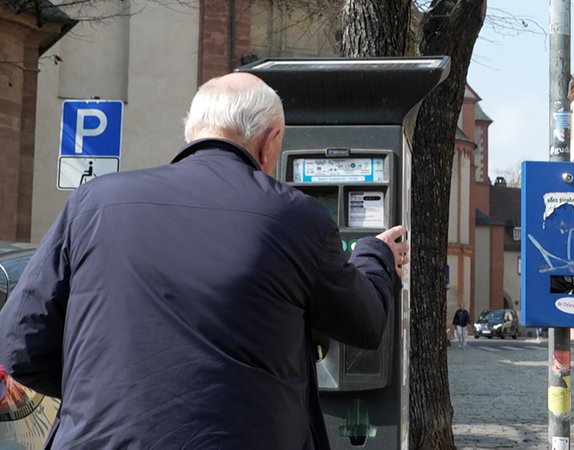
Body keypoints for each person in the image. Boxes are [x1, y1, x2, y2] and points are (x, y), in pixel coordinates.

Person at [0, 72, 409, 449]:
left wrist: (101, 394)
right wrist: (374, 255)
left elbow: (18, 344)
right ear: (270, 142)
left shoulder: (94, 202)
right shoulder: (296, 217)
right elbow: (364, 322)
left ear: (191, 132)